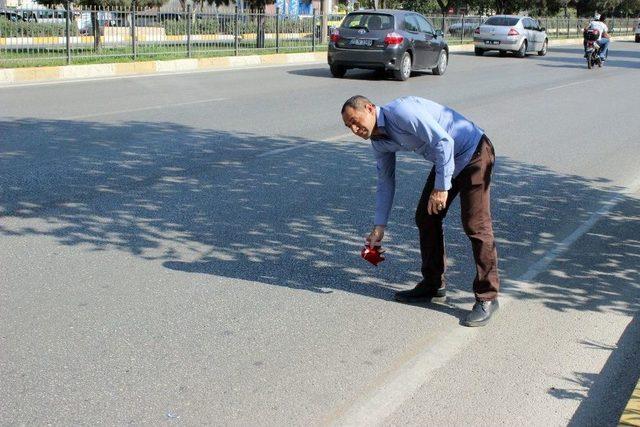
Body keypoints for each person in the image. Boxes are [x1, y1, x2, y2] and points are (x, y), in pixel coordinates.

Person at [341, 95, 500, 327]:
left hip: (474, 152)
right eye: (349, 126)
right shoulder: (379, 142)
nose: (355, 129)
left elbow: (444, 141)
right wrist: (379, 226)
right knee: (426, 217)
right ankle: (433, 284)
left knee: (475, 224)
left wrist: (441, 187)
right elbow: (386, 181)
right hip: (447, 160)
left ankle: (488, 297)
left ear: (370, 108)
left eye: (356, 121)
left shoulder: (402, 112)